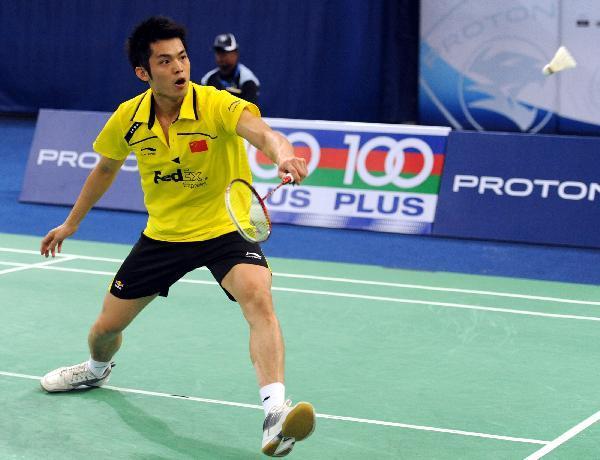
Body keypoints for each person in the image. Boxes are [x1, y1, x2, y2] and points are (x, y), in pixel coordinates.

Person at [39, 16, 314, 458]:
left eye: (182, 57)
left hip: (224, 227)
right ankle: (95, 368)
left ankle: (275, 412)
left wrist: (285, 155)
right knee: (104, 330)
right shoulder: (129, 118)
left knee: (258, 296)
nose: (178, 68)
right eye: (165, 61)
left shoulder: (216, 104)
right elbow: (105, 168)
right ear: (143, 73)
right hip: (164, 236)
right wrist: (72, 223)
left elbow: (264, 134)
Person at [201, 33, 260, 104]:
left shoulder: (248, 80)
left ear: (235, 54)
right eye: (218, 52)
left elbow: (250, 111)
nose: (221, 56)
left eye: (225, 52)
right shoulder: (208, 79)